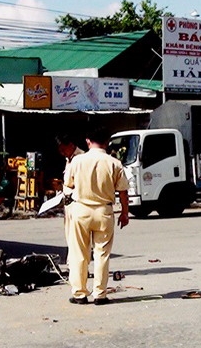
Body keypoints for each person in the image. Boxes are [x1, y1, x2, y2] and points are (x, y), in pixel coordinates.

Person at [64, 126, 129, 305]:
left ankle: (79, 293)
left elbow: (68, 185)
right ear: (107, 142)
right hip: (104, 212)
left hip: (81, 211)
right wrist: (125, 213)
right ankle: (100, 294)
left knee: (79, 254)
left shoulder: (76, 161)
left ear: (87, 141)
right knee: (102, 254)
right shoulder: (114, 163)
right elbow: (123, 192)